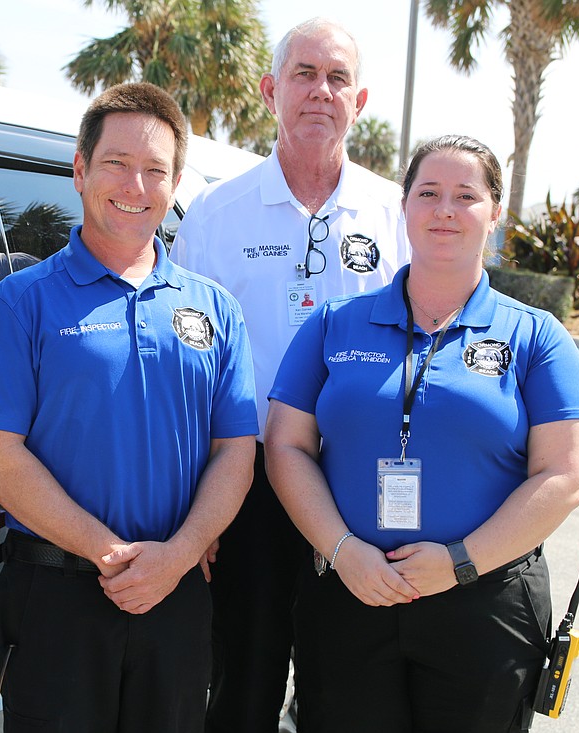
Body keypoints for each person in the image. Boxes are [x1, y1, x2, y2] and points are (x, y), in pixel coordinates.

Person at [264, 135, 579, 732]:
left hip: (484, 602)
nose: (445, 210)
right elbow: (286, 446)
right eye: (429, 193)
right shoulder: (335, 324)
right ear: (404, 206)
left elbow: (565, 475)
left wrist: (460, 563)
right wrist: (343, 551)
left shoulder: (537, 337)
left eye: (466, 195)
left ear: (495, 213)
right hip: (351, 594)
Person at [0, 82, 258, 732]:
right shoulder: (19, 303)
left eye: (155, 169)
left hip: (177, 594)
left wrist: (180, 554)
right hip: (56, 597)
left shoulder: (216, 309)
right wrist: (112, 554)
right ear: (80, 169)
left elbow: (236, 450)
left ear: (175, 184)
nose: (135, 184)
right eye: (117, 162)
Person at [168, 17, 410, 731]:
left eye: (337, 79)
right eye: (304, 74)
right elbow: (189, 368)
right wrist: (198, 507)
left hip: (362, 488)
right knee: (246, 680)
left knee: (349, 686)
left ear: (359, 102)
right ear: (272, 90)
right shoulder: (217, 213)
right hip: (249, 486)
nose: (320, 92)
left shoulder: (395, 210)